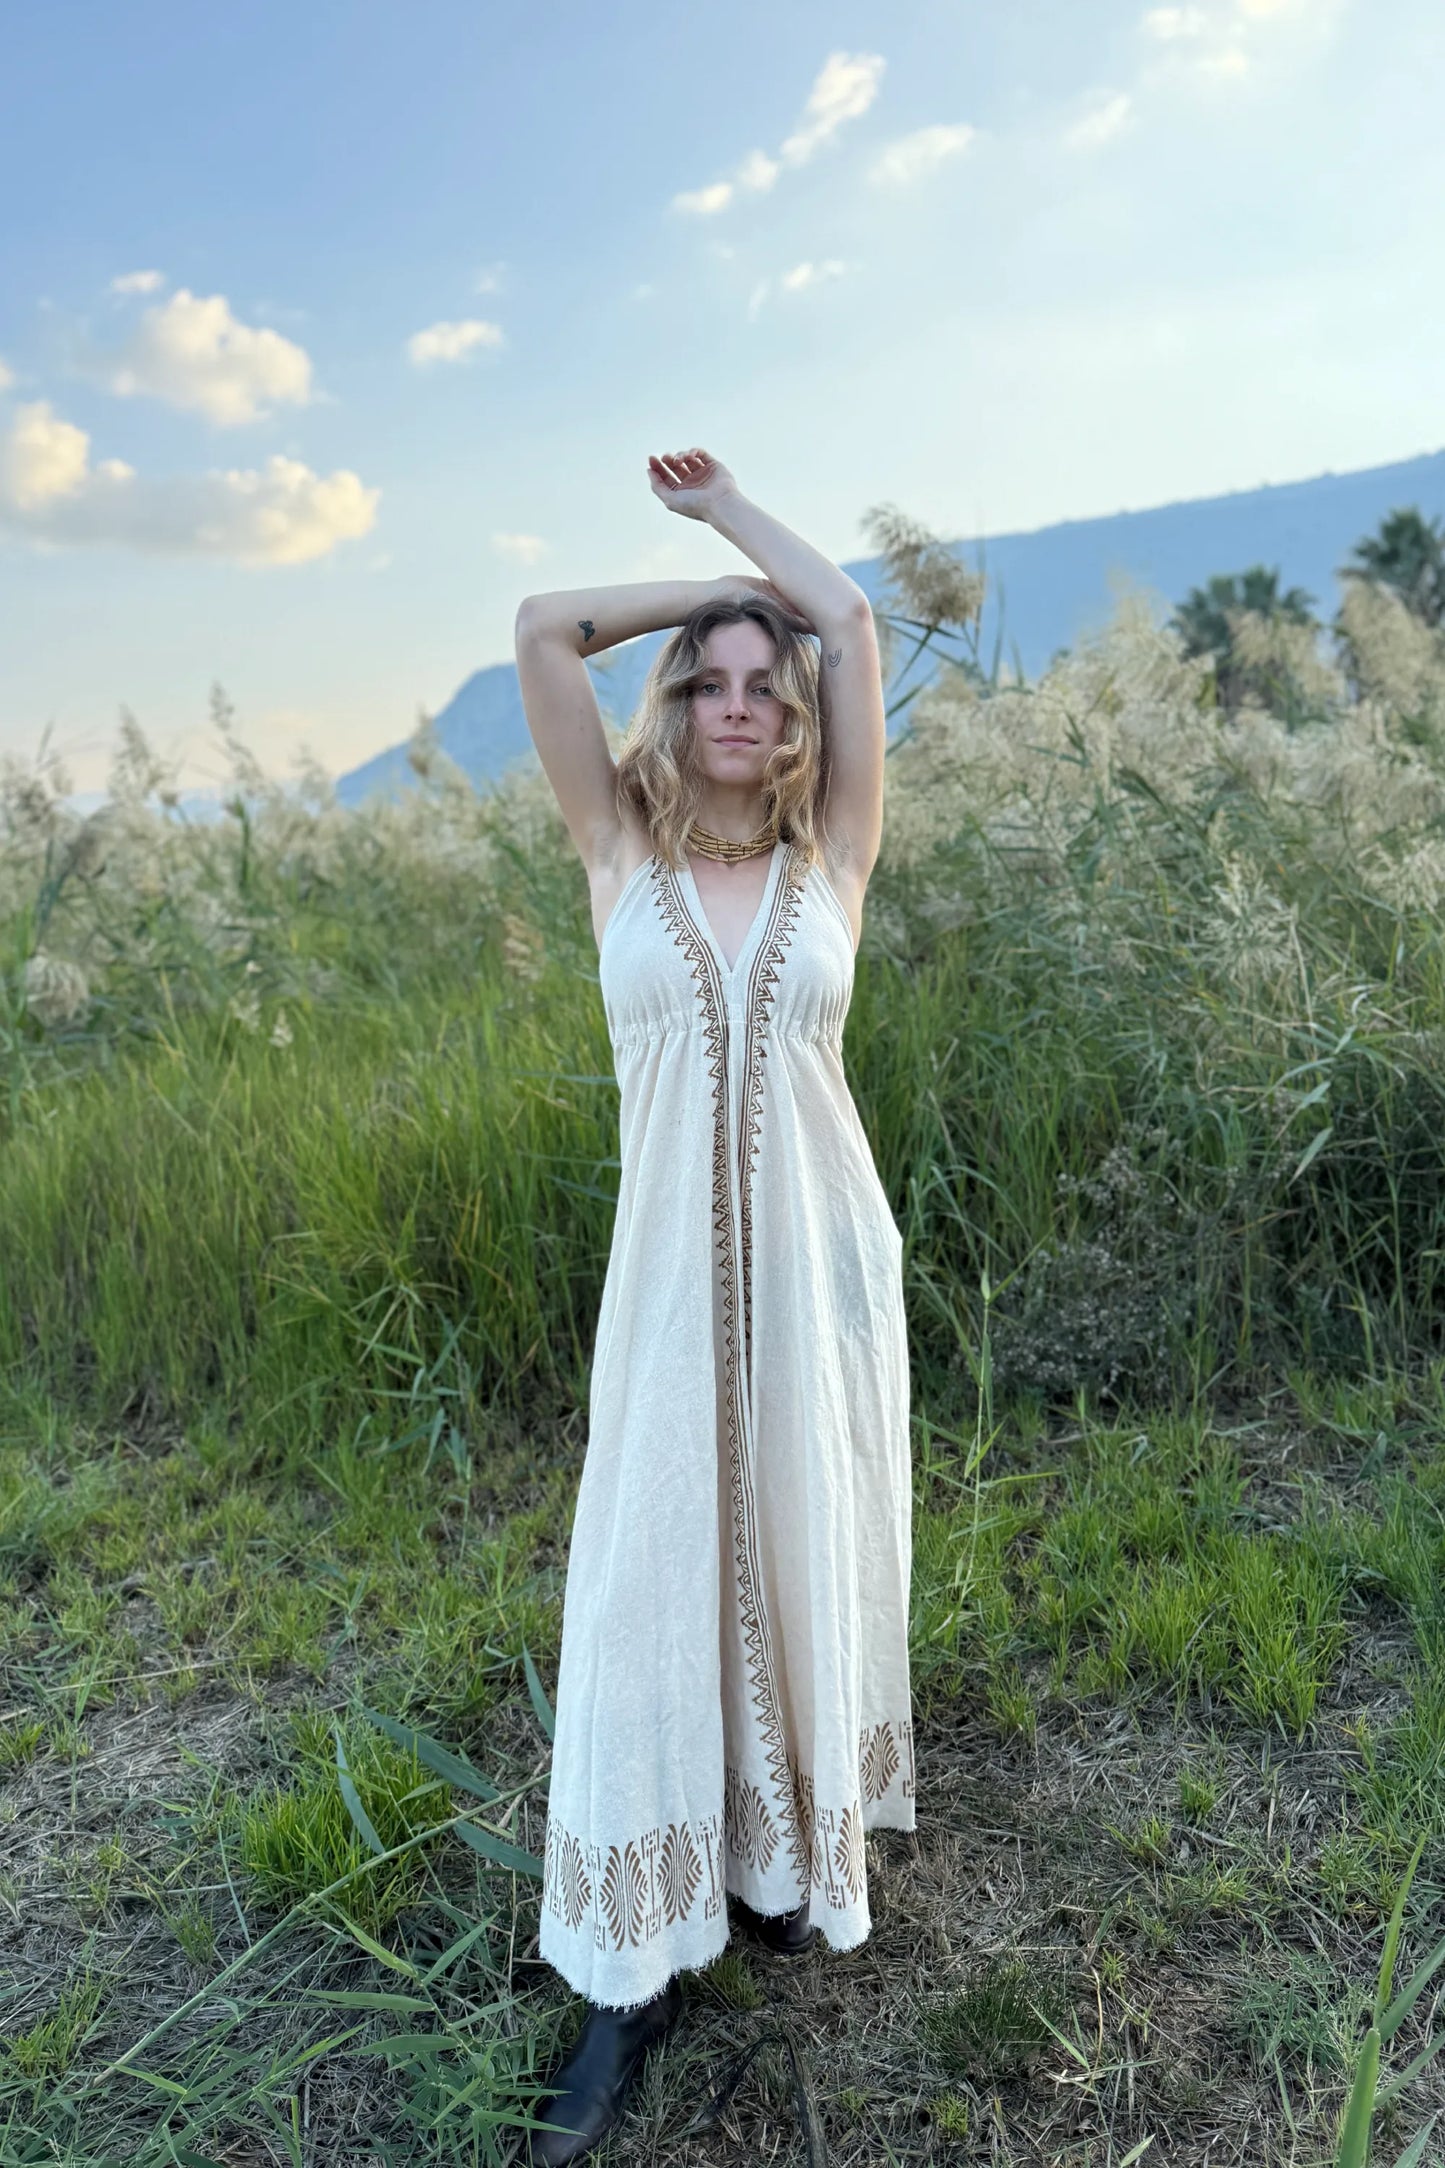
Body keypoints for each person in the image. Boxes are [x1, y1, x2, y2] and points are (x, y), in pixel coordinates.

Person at [512, 448, 914, 2165]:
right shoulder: (615, 853)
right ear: (674, 707)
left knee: (797, 1547)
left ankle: (770, 1868)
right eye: (712, 686)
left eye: (766, 685)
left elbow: (849, 619)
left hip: (823, 1276)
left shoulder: (839, 854)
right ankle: (626, 1980)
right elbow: (539, 630)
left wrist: (748, 540)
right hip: (667, 1291)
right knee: (645, 1585)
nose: (745, 700)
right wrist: (700, 597)